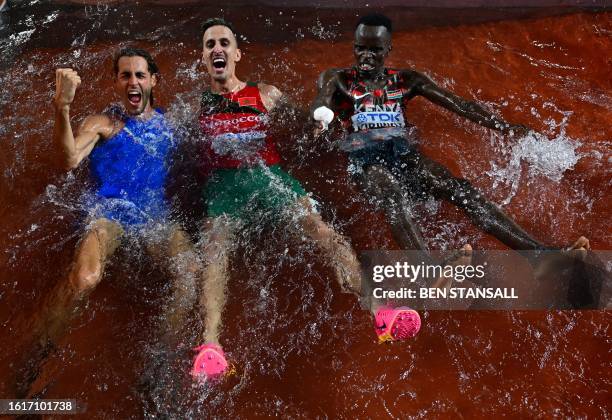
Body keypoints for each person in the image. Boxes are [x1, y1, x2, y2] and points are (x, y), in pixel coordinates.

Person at [191, 18, 423, 382]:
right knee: (214, 245)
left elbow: (305, 125)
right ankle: (210, 347)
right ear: (203, 58)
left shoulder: (266, 94)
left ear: (237, 54)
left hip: (271, 179)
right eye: (209, 45)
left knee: (321, 229)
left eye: (223, 43)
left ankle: (381, 313)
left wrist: (321, 126)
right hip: (224, 187)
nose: (217, 49)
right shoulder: (196, 106)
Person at [312, 13, 590, 255]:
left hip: (403, 154)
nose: (366, 57)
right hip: (365, 160)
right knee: (393, 194)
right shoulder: (337, 79)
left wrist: (505, 128)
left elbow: (460, 105)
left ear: (388, 49)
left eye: (374, 50)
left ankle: (538, 253)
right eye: (360, 48)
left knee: (460, 189)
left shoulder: (407, 81)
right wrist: (320, 119)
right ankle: (427, 273)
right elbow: (322, 101)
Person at [14, 48, 200, 395]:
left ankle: (157, 369)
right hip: (109, 212)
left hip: (153, 216)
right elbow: (70, 158)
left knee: (189, 271)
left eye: (139, 75)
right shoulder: (103, 124)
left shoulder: (171, 126)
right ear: (116, 82)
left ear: (153, 80)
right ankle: (31, 364)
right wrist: (62, 108)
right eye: (125, 75)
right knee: (85, 278)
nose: (133, 82)